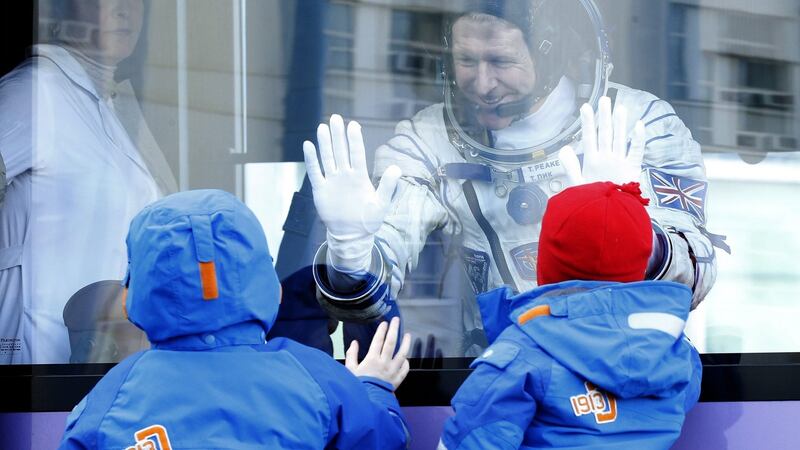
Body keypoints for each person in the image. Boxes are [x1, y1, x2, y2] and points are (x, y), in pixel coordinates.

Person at [300, 0, 726, 357]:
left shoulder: (636, 123)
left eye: (501, 62)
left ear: (549, 52)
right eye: (466, 61)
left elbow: (696, 274)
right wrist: (352, 254)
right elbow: (371, 291)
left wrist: (622, 226)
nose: (483, 84)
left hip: (624, 376)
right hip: (497, 381)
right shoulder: (427, 141)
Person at [58, 189, 411, 450]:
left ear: (131, 297)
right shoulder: (315, 377)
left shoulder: (112, 394)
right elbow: (383, 439)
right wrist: (374, 388)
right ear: (273, 289)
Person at [439, 181, 702, 449]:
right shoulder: (674, 353)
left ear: (545, 264)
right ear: (642, 267)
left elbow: (469, 440)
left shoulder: (521, 355)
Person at [0, 0, 176, 363]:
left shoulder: (111, 106)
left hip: (103, 370)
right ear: (61, 8)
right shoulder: (36, 93)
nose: (124, 10)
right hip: (38, 381)